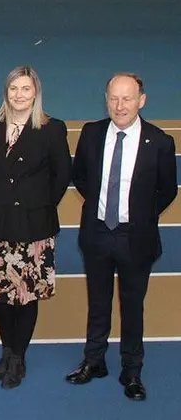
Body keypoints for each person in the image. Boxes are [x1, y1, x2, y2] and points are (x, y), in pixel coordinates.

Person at [65, 73, 177, 401]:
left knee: (132, 306)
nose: (120, 105)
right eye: (114, 98)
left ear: (141, 100)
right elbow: (81, 178)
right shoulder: (92, 133)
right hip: (98, 234)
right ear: (106, 99)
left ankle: (131, 371)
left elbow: (167, 190)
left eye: (127, 98)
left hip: (135, 238)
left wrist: (138, 215)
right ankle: (94, 361)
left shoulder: (159, 142)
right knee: (97, 303)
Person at [0, 66, 71, 389]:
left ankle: (19, 357)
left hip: (33, 227)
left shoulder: (52, 129)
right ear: (6, 92)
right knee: (2, 294)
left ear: (36, 93)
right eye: (14, 88)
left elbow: (61, 176)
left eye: (25, 89)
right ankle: (6, 351)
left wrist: (36, 202)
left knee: (26, 296)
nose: (19, 95)